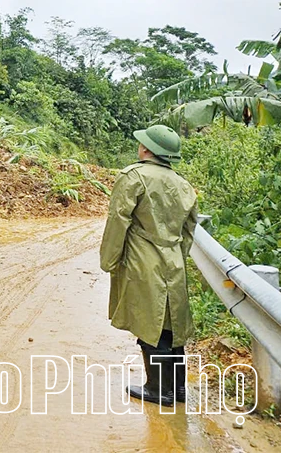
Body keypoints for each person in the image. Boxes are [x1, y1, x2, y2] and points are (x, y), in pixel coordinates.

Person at [100, 124, 198, 407]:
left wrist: (109, 259)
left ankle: (158, 389)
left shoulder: (133, 177)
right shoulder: (183, 185)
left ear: (147, 149)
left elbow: (118, 220)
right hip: (173, 260)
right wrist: (177, 255)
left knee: (149, 320)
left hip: (143, 258)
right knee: (171, 322)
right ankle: (177, 388)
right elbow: (189, 230)